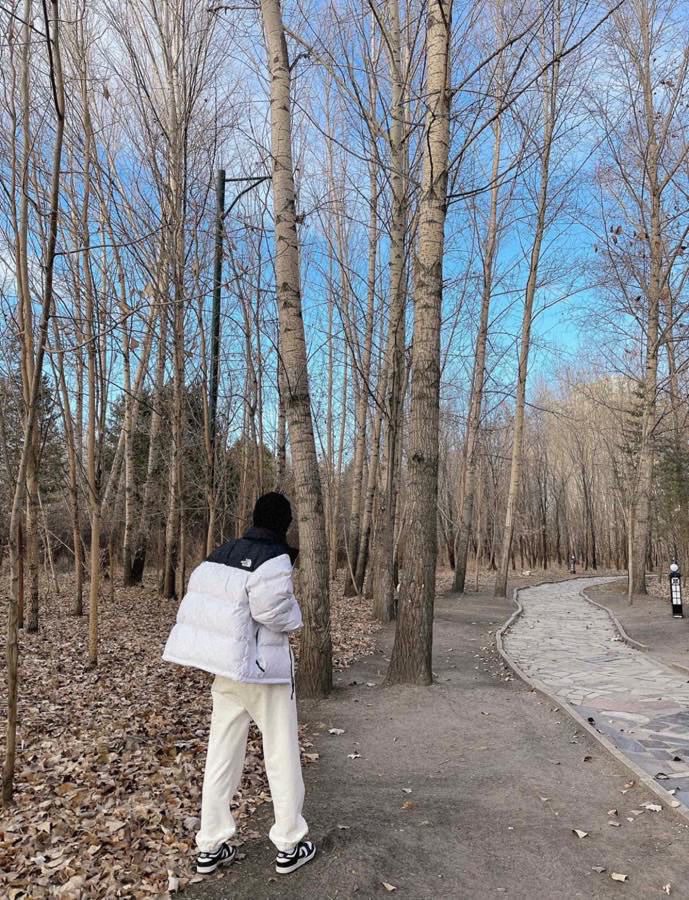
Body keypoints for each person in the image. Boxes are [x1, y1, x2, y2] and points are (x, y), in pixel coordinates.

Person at [163, 492, 316, 877]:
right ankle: (289, 843)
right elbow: (274, 612)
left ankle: (210, 845)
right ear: (285, 523)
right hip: (266, 673)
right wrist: (296, 615)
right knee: (281, 753)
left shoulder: (221, 554)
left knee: (222, 755)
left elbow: (203, 605)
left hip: (228, 671)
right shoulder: (274, 558)